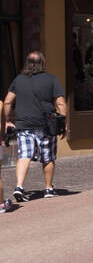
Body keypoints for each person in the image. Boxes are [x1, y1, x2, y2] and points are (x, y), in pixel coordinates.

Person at [3, 51, 67, 202]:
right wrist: (62, 123)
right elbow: (60, 103)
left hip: (24, 125)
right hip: (46, 125)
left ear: (27, 63)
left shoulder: (18, 80)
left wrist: (7, 120)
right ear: (42, 63)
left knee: (24, 155)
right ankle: (48, 188)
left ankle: (19, 186)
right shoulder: (51, 79)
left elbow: (7, 102)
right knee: (48, 157)